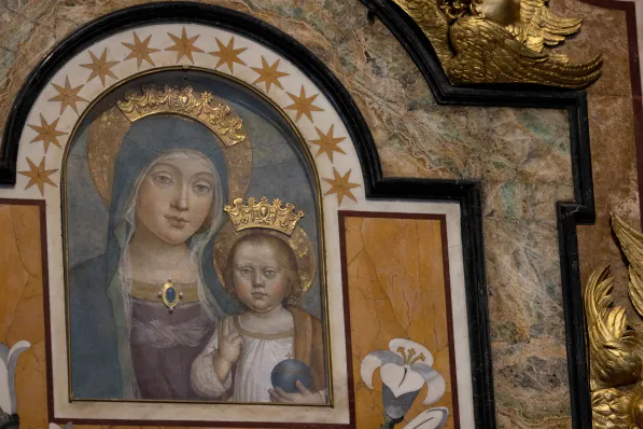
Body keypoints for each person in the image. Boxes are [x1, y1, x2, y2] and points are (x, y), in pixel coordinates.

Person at [69, 115, 234, 400]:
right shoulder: (85, 284)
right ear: (131, 184)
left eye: (201, 187)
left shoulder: (228, 285)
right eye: (164, 179)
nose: (182, 203)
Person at [191, 232, 326, 403]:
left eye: (269, 272)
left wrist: (315, 399)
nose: (257, 282)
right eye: (246, 271)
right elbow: (201, 385)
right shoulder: (228, 328)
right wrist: (223, 359)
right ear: (232, 277)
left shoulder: (308, 328)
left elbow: (338, 382)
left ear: (289, 279)